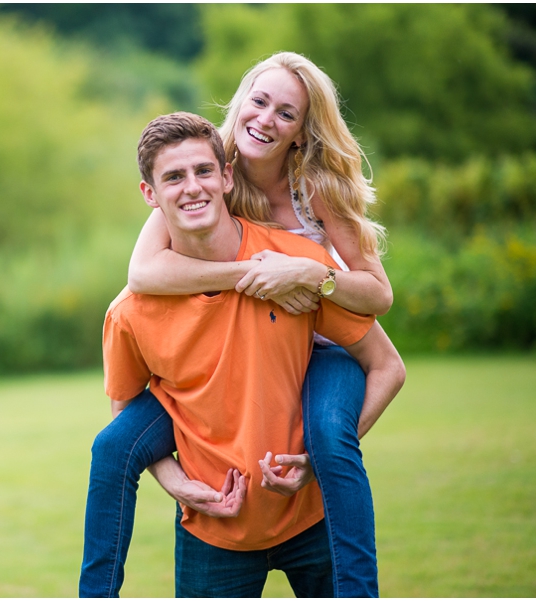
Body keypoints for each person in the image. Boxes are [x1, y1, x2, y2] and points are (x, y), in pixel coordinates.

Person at [80, 52, 405, 598]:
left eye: (287, 113)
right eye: (259, 101)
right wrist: (245, 275)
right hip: (239, 327)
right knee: (113, 447)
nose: (267, 119)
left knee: (330, 436)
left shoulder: (312, 191)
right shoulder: (201, 163)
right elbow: (141, 274)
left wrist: (309, 272)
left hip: (317, 339)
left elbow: (379, 299)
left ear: (302, 133)